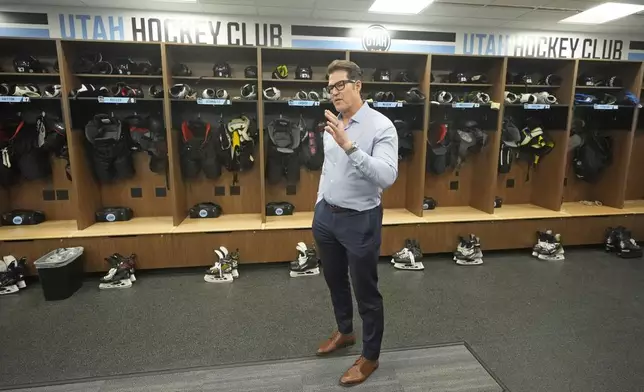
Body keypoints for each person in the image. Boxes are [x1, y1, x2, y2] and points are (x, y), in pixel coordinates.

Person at [312, 59, 398, 386]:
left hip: (360, 220)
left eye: (340, 86)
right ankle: (345, 332)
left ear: (358, 85)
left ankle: (371, 357)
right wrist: (319, 205)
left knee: (366, 291)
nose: (334, 93)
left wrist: (349, 146)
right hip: (326, 217)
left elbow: (387, 176)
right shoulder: (333, 123)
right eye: (330, 87)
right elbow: (327, 169)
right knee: (335, 280)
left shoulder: (381, 126)